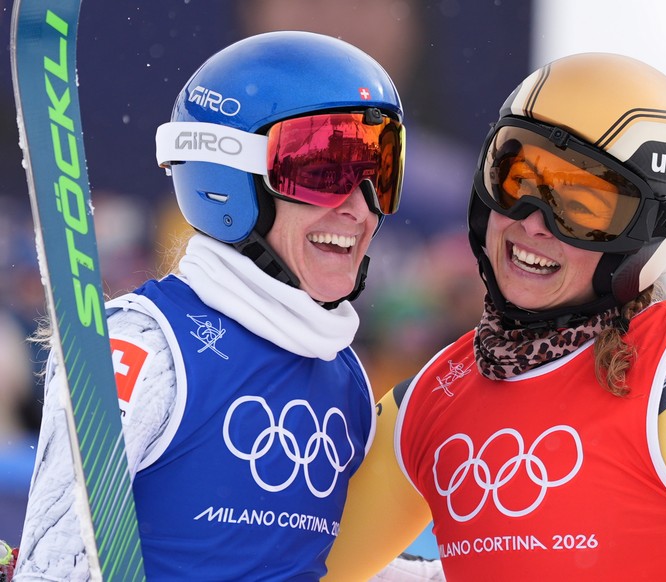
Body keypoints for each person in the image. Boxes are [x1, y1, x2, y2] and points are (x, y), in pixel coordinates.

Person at [323, 53, 666, 580]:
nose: (533, 222)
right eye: (517, 180)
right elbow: (305, 568)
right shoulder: (431, 399)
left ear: (642, 238)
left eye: (581, 207)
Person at [13, 31, 407, 580]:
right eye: (324, 171)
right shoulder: (144, 347)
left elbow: (320, 565)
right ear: (229, 177)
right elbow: (53, 567)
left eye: (379, 174)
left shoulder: (345, 378)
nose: (360, 209)